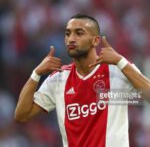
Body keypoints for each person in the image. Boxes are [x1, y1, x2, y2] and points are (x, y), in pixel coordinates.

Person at [14, 14, 150, 147]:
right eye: (67, 34)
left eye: (79, 33)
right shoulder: (58, 78)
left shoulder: (116, 70)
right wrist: (36, 74)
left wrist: (121, 62)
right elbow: (21, 115)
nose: (71, 39)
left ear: (95, 41)